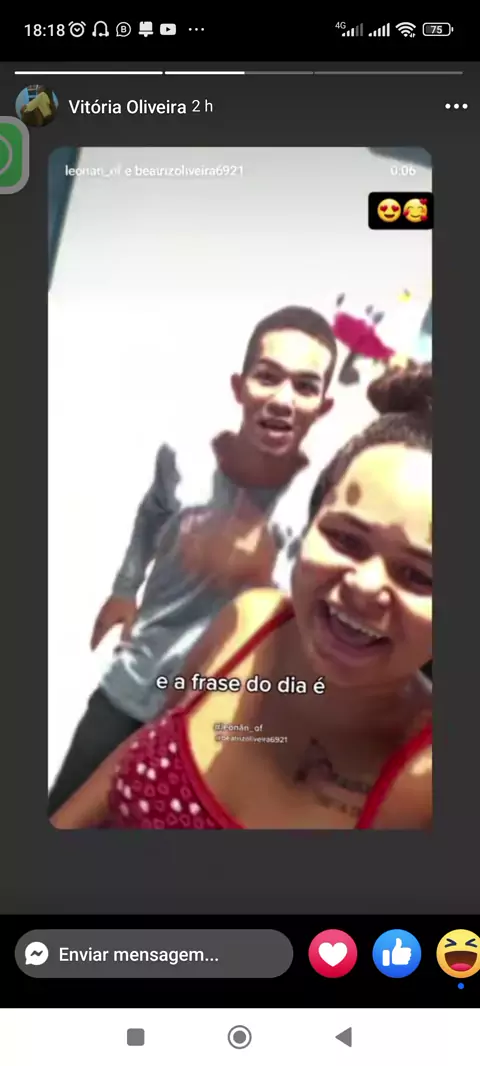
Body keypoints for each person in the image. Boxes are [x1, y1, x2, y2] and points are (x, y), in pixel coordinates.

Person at [51, 362, 432, 830]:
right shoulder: (250, 622)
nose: (364, 585)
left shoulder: (427, 786)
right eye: (345, 539)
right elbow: (140, 754)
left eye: (419, 575)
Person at [48, 306, 338, 813]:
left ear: (323, 406)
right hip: (132, 689)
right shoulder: (182, 458)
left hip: (217, 724)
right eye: (267, 377)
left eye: (305, 386)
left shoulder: (321, 504)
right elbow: (151, 512)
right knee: (63, 817)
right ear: (239, 386)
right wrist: (124, 589)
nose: (283, 399)